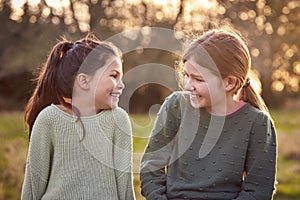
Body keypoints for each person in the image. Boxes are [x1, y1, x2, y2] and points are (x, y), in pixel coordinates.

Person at [140, 28, 277, 200]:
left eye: (198, 79)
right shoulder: (176, 106)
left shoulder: (257, 123)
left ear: (229, 83)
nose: (188, 85)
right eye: (186, 75)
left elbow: (258, 190)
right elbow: (150, 168)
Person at [21, 34, 135, 200]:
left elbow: (125, 188)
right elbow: (33, 187)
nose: (121, 85)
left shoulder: (118, 120)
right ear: (84, 81)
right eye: (113, 76)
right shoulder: (49, 119)